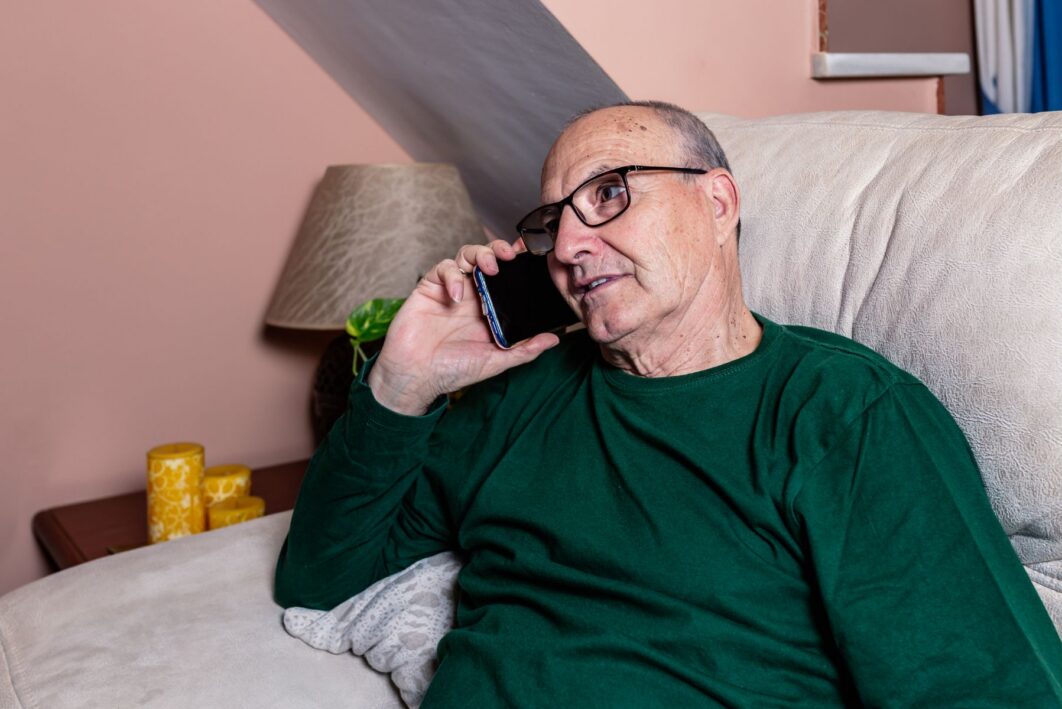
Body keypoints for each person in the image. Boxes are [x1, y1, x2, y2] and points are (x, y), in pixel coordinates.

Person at [275, 101, 1062, 706]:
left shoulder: (843, 414)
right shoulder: (513, 397)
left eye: (610, 194)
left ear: (718, 203)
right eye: (553, 225)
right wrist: (404, 381)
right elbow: (320, 577)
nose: (573, 246)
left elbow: (985, 688)